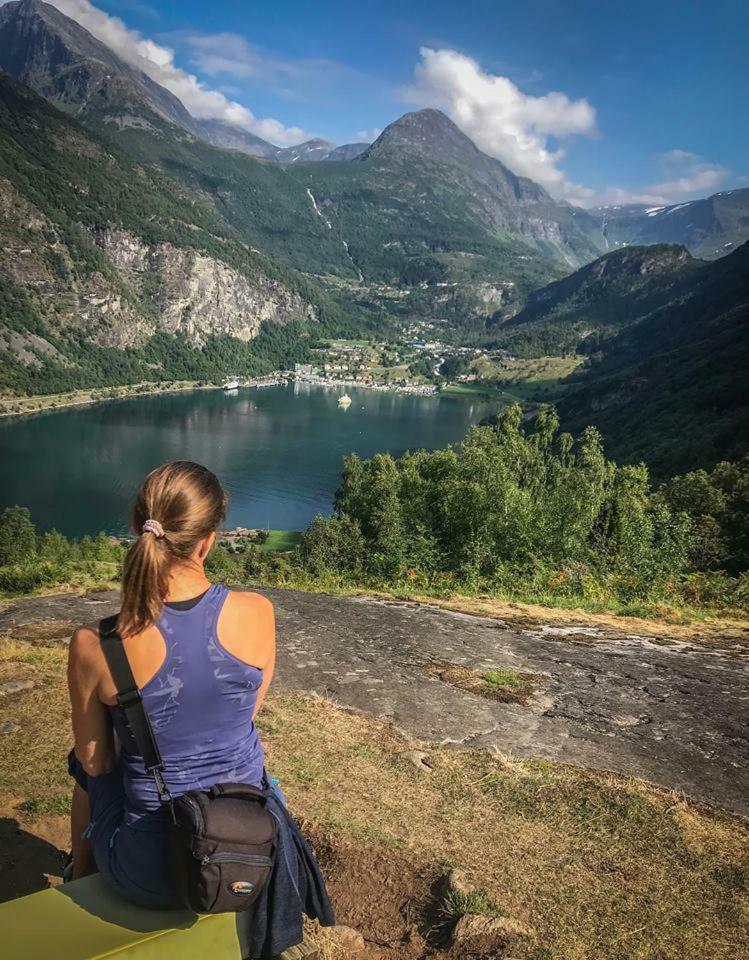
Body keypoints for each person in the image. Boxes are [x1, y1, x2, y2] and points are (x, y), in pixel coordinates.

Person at [66, 461, 323, 934]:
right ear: (209, 539)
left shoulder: (97, 645)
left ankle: (80, 873)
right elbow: (245, 716)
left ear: (139, 531)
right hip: (247, 849)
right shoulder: (258, 613)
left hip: (148, 875)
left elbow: (96, 761)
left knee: (83, 760)